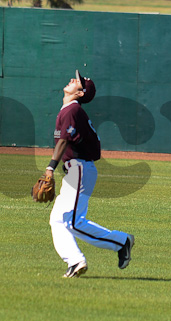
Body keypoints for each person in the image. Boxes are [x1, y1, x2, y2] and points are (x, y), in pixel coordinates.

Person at [46, 70, 135, 277]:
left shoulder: (72, 111)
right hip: (76, 170)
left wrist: (50, 168)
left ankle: (120, 242)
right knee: (59, 220)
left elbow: (64, 141)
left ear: (80, 93)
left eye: (78, 81)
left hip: (79, 169)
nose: (72, 79)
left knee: (72, 221)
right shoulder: (69, 109)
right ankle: (76, 260)